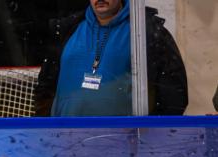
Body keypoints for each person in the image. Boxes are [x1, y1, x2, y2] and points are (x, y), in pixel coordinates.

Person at [35, 0, 188, 116]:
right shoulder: (68, 29)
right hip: (64, 141)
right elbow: (45, 88)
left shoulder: (146, 32)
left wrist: (151, 137)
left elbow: (173, 95)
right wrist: (46, 129)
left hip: (124, 147)